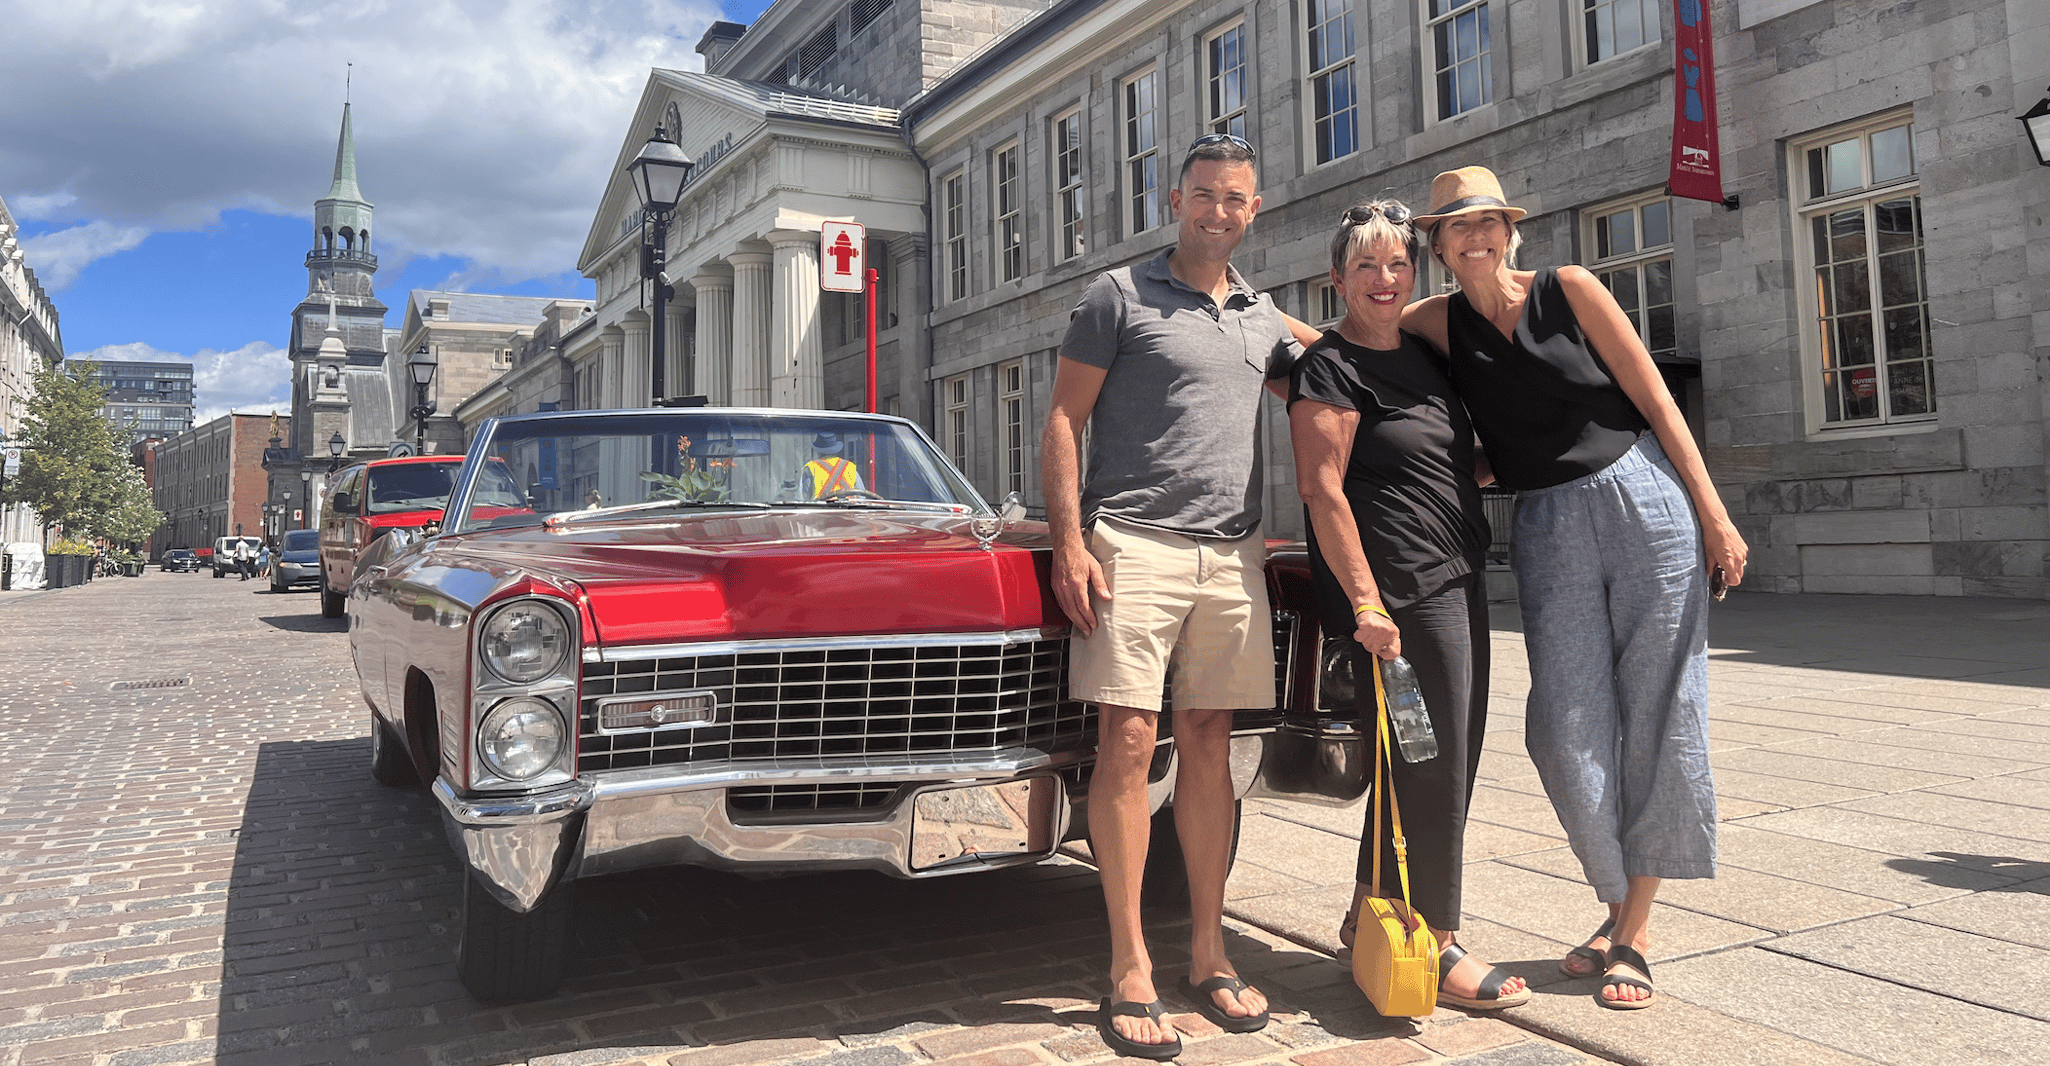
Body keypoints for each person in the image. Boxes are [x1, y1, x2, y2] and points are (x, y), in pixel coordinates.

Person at [1401, 167, 1749, 1010]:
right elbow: (1356, 347)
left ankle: (1630, 932)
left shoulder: (1572, 288)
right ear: (1438, 247)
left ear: (1508, 230)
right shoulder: (1430, 323)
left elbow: (1656, 399)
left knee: (1662, 706)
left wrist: (1713, 512)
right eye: (1457, 227)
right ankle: (1614, 900)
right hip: (1547, 527)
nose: (1475, 236)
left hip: (1644, 499)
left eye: (1487, 221)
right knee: (1563, 727)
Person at [1041, 133, 1299, 1060]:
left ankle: (1207, 948)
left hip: (1232, 556)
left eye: (1234, 199)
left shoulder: (1265, 317)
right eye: (1202, 196)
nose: (1216, 212)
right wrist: (1069, 542)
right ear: (1175, 198)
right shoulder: (1118, 296)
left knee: (1210, 745)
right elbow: (1066, 420)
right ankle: (1128, 963)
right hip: (1134, 548)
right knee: (1128, 740)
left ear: (1253, 208)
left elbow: (1354, 361)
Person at [1287, 199, 1529, 1011]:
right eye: (1366, 266)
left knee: (1425, 756)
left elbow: (1460, 461)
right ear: (1338, 277)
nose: (1385, 280)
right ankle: (1440, 936)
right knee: (1435, 764)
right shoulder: (1329, 367)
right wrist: (1365, 602)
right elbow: (1323, 493)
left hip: (1457, 576)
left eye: (1397, 264)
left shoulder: (1427, 358)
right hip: (1398, 595)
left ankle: (1371, 918)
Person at [801, 433, 866, 498]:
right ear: (836, 451)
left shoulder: (811, 468)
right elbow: (862, 497)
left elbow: (802, 498)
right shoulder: (850, 466)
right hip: (848, 507)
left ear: (818, 451)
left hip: (821, 508)